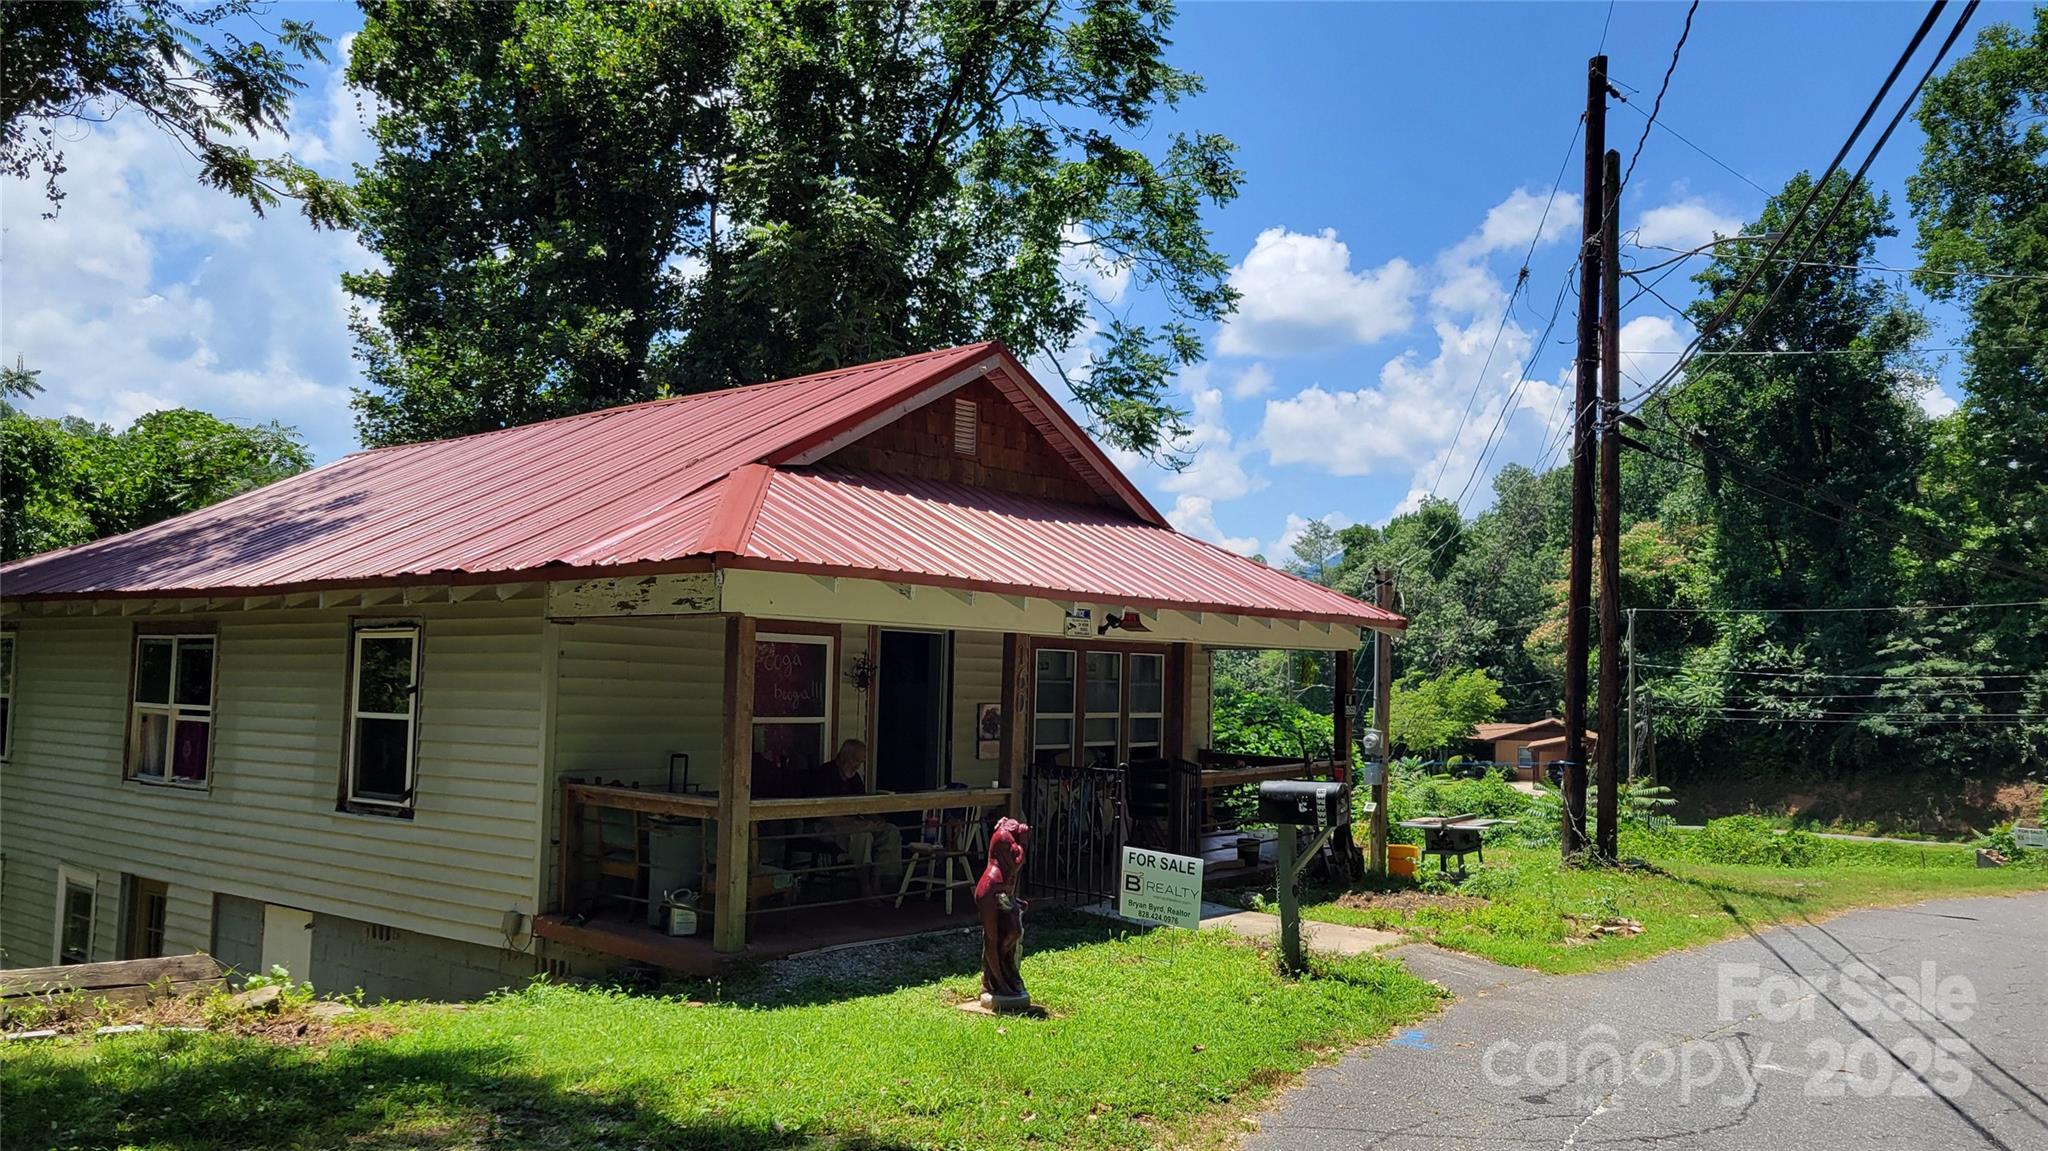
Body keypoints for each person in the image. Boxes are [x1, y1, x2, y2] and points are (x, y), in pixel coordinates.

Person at [812, 740, 902, 893]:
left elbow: (862, 805)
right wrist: (859, 824)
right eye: (855, 760)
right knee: (863, 835)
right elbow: (822, 814)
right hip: (827, 824)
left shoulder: (854, 777)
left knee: (890, 831)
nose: (858, 766)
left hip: (854, 822)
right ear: (844, 756)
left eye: (861, 762)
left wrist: (876, 819)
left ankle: (879, 879)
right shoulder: (824, 774)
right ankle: (865, 885)